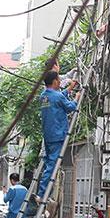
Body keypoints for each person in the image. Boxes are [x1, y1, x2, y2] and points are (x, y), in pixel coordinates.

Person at [37, 70, 80, 200]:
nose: (60, 82)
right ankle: (42, 194)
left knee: (48, 163)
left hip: (48, 135)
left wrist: (70, 88)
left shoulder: (44, 96)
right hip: (58, 134)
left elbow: (58, 98)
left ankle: (43, 193)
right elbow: (70, 107)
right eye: (59, 80)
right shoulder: (57, 97)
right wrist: (77, 97)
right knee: (52, 166)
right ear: (55, 81)